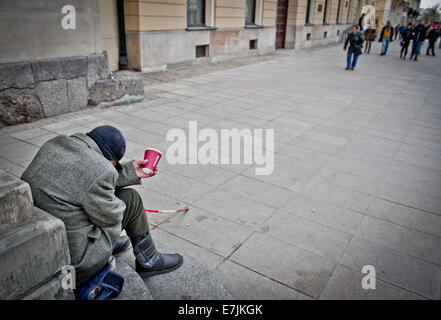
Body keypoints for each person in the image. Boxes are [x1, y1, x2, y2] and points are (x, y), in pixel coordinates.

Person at [21, 126, 184, 295]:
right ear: (110, 162)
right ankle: (150, 261)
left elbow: (85, 178)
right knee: (131, 199)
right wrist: (110, 197)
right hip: (75, 261)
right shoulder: (100, 169)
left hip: (42, 242)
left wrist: (129, 171)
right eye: (114, 166)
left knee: (93, 202)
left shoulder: (56, 144)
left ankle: (109, 245)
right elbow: (111, 216)